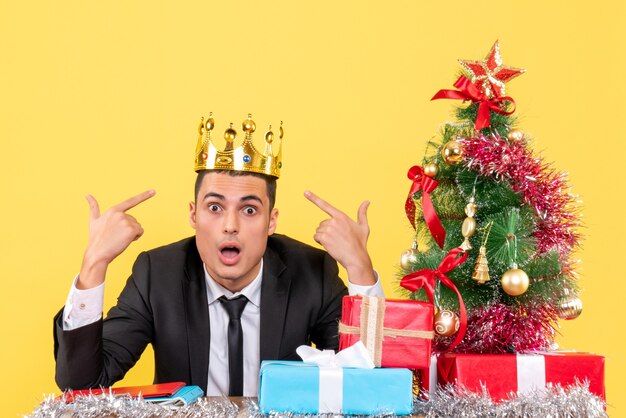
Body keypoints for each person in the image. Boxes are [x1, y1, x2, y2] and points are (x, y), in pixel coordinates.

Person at [53, 115, 384, 396]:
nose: (230, 225)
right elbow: (82, 384)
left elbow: (370, 389)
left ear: (272, 221)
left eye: (250, 210)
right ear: (193, 215)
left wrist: (360, 270)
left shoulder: (312, 271)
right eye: (214, 207)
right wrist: (93, 265)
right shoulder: (157, 274)